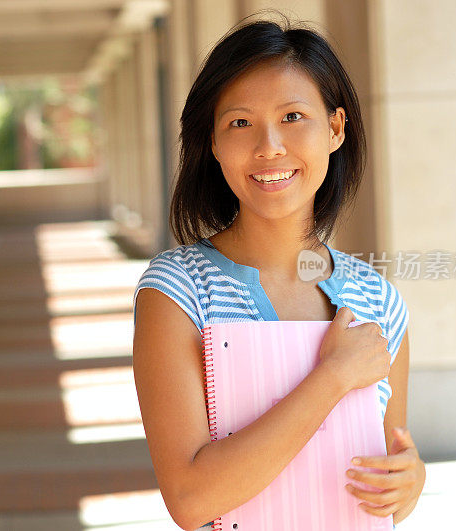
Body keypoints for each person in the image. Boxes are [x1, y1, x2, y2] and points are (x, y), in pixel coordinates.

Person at [131, 13, 426, 531]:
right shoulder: (178, 292)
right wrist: (332, 377)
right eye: (240, 123)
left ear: (335, 129)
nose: (269, 146)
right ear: (215, 144)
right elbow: (192, 499)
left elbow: (381, 478)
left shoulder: (380, 301)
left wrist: (408, 482)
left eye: (293, 116)